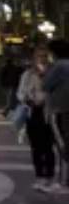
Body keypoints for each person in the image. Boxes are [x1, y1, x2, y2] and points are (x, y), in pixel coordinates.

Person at [16, 47, 57, 192]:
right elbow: (20, 93)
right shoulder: (27, 75)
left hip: (49, 113)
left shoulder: (52, 74)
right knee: (36, 147)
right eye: (39, 56)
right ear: (34, 58)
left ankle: (50, 177)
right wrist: (27, 100)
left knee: (48, 147)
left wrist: (44, 98)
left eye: (45, 56)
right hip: (33, 113)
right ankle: (39, 176)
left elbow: (54, 92)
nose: (42, 59)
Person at [44, 40, 69, 193]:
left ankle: (64, 181)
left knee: (62, 143)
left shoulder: (59, 66)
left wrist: (44, 71)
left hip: (61, 108)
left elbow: (46, 85)